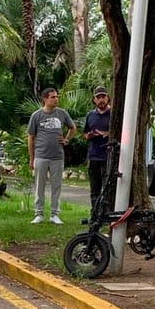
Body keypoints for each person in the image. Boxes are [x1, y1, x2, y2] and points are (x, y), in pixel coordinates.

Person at [27, 88, 76, 225]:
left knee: (56, 186)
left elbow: (73, 128)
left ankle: (54, 214)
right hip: (41, 155)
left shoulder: (62, 113)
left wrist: (66, 140)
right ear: (45, 99)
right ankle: (39, 213)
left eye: (56, 97)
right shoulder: (36, 115)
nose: (56, 99)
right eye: (53, 97)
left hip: (57, 156)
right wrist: (31, 158)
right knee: (40, 186)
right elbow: (30, 137)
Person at [83, 86, 111, 214]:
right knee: (94, 189)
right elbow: (85, 132)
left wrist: (107, 134)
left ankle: (107, 213)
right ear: (94, 99)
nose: (101, 100)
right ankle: (95, 214)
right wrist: (89, 135)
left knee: (107, 187)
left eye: (103, 97)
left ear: (108, 98)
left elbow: (122, 132)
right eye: (98, 97)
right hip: (93, 155)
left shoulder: (114, 114)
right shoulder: (90, 115)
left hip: (108, 156)